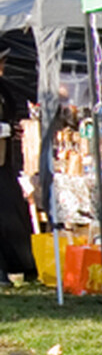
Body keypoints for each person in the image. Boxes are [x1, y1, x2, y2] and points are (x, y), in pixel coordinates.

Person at [0, 49, 35, 281]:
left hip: (4, 162)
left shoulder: (3, 88)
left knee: (12, 212)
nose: (3, 66)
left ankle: (20, 266)